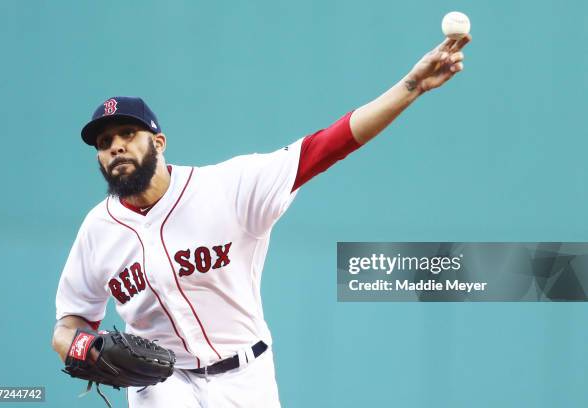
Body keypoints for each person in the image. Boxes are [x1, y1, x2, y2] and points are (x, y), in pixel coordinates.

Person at [52, 35, 471, 407]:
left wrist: (411, 87)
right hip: (161, 385)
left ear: (158, 142)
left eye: (128, 134)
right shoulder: (97, 230)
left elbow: (326, 146)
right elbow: (69, 325)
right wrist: (86, 348)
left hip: (245, 378)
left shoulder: (227, 188)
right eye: (105, 143)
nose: (116, 148)